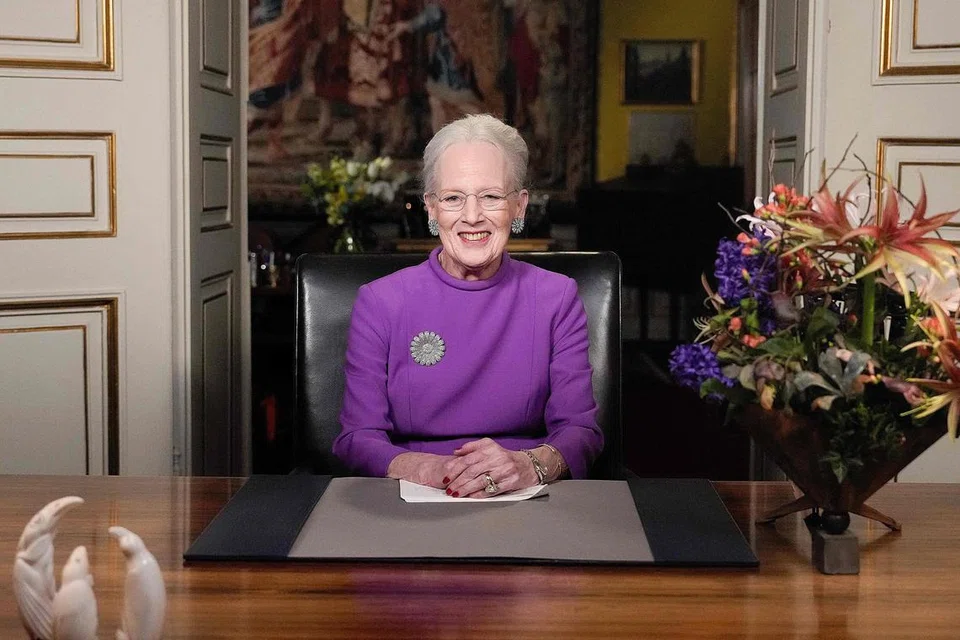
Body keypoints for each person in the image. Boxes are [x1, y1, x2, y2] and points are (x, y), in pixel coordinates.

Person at [332, 114, 603, 498]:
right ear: (431, 208)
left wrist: (529, 465)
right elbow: (357, 438)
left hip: (524, 497)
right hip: (412, 496)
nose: (472, 216)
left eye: (491, 197)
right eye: (453, 198)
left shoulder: (556, 297)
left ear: (519, 206)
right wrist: (433, 470)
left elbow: (581, 431)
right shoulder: (380, 301)